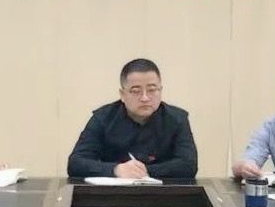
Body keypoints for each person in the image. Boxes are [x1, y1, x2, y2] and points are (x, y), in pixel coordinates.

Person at [66, 58, 198, 182]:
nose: (145, 98)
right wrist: (116, 170)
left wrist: (144, 171)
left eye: (152, 90)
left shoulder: (177, 119)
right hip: (112, 195)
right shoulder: (103, 118)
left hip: (165, 194)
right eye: (136, 91)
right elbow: (76, 163)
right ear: (123, 95)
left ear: (161, 91)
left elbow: (189, 165)